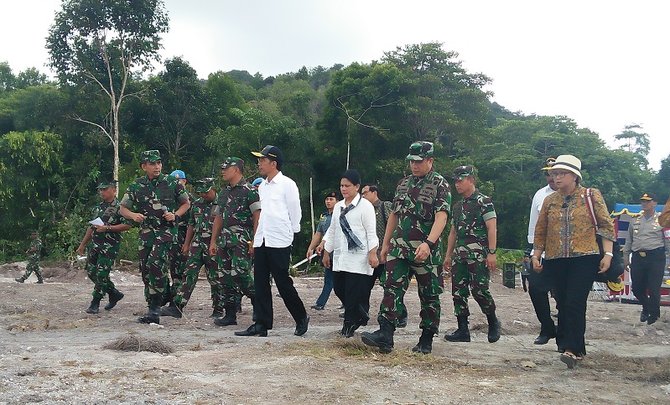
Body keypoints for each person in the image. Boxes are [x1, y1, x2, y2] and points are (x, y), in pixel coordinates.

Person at [362, 141, 450, 355]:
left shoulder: (440, 184)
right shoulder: (403, 184)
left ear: (430, 160)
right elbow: (394, 215)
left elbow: (442, 216)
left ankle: (426, 338)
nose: (414, 165)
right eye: (411, 161)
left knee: (429, 295)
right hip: (399, 248)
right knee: (391, 287)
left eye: (419, 161)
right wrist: (385, 244)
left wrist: (429, 243)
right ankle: (385, 334)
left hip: (425, 251)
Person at [533, 154, 615, 369]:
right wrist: (536, 254)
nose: (557, 178)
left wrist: (608, 254)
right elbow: (540, 230)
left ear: (574, 176)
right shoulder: (550, 201)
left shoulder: (590, 195)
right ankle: (574, 344)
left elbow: (606, 226)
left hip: (584, 257)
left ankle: (572, 349)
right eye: (554, 174)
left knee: (575, 302)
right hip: (555, 258)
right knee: (562, 302)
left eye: (562, 173)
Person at [235, 145, 309, 337]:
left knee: (283, 282)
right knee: (260, 284)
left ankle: (301, 317)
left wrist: (291, 233)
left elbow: (295, 212)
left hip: (280, 241)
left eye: (262, 160)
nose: (259, 163)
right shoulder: (263, 186)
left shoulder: (287, 184)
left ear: (273, 163)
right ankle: (262, 323)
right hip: (262, 239)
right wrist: (256, 237)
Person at [120, 150, 191, 324]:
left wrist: (175, 215)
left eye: (159, 163)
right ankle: (162, 295)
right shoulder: (137, 185)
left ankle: (154, 309)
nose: (157, 166)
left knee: (155, 263)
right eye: (152, 163)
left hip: (166, 231)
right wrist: (133, 215)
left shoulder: (172, 182)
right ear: (144, 166)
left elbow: (186, 203)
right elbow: (123, 208)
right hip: (146, 232)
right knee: (145, 269)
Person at [443, 165, 501, 344]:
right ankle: (462, 329)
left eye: (461, 180)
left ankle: (493, 321)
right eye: (456, 181)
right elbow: (453, 231)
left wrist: (492, 253)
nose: (457, 184)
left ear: (471, 180)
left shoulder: (484, 201)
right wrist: (448, 255)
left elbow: (492, 227)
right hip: (460, 254)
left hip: (478, 254)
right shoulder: (458, 205)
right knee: (458, 292)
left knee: (479, 290)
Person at [322, 170, 379, 337]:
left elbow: (370, 232)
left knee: (352, 292)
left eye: (347, 186)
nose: (344, 189)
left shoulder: (365, 206)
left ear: (357, 187)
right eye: (341, 186)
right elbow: (332, 231)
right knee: (339, 288)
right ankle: (360, 313)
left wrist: (372, 253)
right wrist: (326, 251)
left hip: (358, 257)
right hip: (341, 256)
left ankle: (349, 325)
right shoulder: (339, 206)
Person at [210, 157, 261, 327]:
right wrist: (213, 241)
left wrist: (255, 240)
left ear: (237, 169)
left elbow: (257, 216)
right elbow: (217, 217)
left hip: (242, 239)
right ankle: (230, 314)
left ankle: (258, 302)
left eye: (226, 168)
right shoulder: (224, 192)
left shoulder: (250, 191)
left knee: (240, 274)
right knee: (225, 278)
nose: (223, 171)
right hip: (224, 240)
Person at [161, 178, 221, 319]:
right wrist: (187, 244)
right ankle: (178, 306)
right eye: (201, 193)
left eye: (206, 192)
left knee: (215, 277)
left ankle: (219, 308)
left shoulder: (222, 204)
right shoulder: (197, 204)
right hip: (198, 243)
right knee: (189, 274)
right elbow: (191, 224)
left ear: (214, 189)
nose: (203, 195)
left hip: (214, 244)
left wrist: (216, 243)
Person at [75, 181, 131, 314]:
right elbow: (91, 226)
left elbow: (127, 225)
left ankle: (95, 302)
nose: (102, 192)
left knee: (101, 274)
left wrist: (107, 228)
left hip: (109, 246)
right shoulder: (98, 207)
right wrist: (83, 244)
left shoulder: (120, 208)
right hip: (95, 245)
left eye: (105, 189)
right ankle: (113, 292)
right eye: (100, 190)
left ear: (114, 190)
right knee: (91, 271)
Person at [361, 184, 405, 327]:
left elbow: (393, 225)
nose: (363, 196)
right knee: (364, 287)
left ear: (375, 193)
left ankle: (400, 314)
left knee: (390, 287)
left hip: (385, 255)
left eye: (365, 193)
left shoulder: (384, 206)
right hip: (370, 256)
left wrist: (389, 248)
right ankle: (362, 314)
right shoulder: (363, 210)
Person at [526, 158, 558, 345]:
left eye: (554, 173)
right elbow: (534, 226)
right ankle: (547, 327)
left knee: (563, 295)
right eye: (548, 173)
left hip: (564, 254)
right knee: (536, 289)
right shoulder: (540, 195)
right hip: (542, 252)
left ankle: (564, 332)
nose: (551, 177)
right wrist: (531, 251)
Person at [623, 192, 668, 325]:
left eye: (648, 201)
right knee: (636, 288)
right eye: (643, 201)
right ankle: (646, 307)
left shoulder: (662, 220)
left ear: (654, 203)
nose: (644, 203)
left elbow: (667, 239)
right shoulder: (635, 220)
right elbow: (629, 241)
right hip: (638, 257)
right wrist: (625, 257)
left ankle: (654, 315)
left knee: (654, 288)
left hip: (656, 257)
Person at [306, 191, 339, 310]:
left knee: (339, 280)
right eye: (327, 199)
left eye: (331, 199)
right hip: (326, 252)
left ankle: (323, 303)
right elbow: (318, 233)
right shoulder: (324, 216)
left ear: (337, 201)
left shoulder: (340, 215)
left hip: (338, 252)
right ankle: (321, 303)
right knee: (329, 279)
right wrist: (310, 248)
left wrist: (322, 244)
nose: (328, 201)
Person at [166, 169, 191, 305]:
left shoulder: (189, 200)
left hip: (184, 236)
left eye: (178, 181)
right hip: (171, 236)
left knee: (181, 270)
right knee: (172, 268)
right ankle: (170, 296)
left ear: (184, 181)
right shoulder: (169, 199)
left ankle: (175, 301)